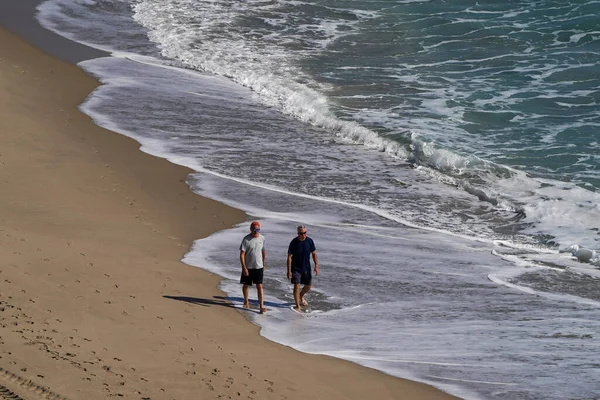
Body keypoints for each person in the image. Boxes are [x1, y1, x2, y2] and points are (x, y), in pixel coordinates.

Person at [287, 225, 319, 309]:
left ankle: (301, 296)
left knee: (308, 286)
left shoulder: (309, 241)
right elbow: (289, 257)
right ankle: (297, 305)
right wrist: (289, 270)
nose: (303, 235)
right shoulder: (294, 242)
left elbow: (314, 253)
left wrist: (316, 266)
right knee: (296, 286)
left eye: (305, 233)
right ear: (298, 233)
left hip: (306, 267)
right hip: (295, 268)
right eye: (301, 233)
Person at [239, 221, 267, 314]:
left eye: (258, 229)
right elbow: (242, 254)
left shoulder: (262, 238)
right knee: (246, 285)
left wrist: (263, 263)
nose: (256, 231)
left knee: (260, 286)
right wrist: (244, 267)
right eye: (254, 229)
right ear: (251, 229)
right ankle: (246, 300)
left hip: (259, 267)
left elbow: (263, 251)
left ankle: (261, 306)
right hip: (248, 267)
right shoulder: (246, 239)